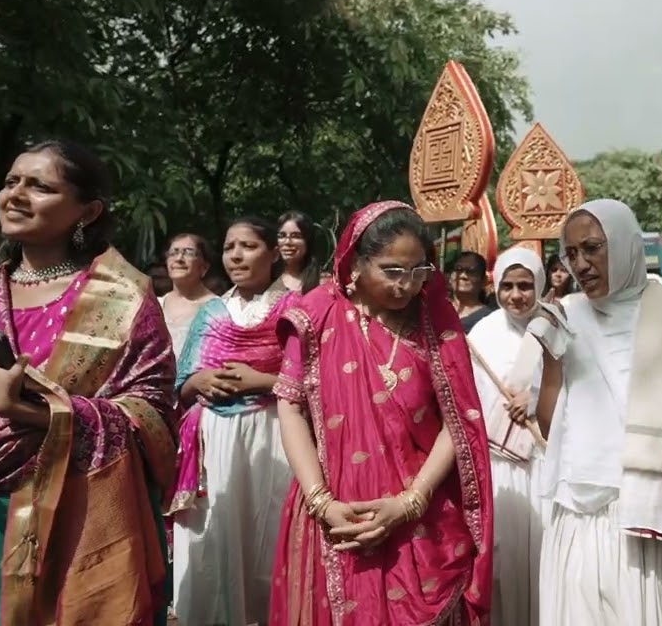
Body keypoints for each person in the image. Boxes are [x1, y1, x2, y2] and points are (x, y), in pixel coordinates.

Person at [0, 140, 176, 625]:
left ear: (87, 211)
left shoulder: (121, 298)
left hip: (71, 511)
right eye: (12, 181)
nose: (16, 194)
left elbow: (152, 415)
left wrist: (27, 412)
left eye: (40, 186)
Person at [269, 201, 492, 625]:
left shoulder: (435, 322)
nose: (406, 285)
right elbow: (291, 407)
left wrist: (411, 502)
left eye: (418, 271)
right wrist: (322, 502)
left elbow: (457, 421)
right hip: (332, 512)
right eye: (392, 271)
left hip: (422, 516)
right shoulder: (315, 316)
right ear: (355, 263)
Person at [533, 198, 662, 625]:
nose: (581, 264)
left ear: (625, 243)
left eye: (592, 248)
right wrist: (552, 357)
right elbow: (550, 427)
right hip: (589, 512)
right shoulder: (566, 317)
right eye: (571, 254)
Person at [170, 216, 297, 626]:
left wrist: (262, 381)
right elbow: (181, 384)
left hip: (275, 435)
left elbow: (318, 381)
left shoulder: (297, 310)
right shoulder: (211, 312)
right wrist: (199, 381)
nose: (236, 256)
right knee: (214, 540)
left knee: (268, 538)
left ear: (274, 253)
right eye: (229, 248)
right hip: (214, 439)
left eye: (248, 246)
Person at [466, 247, 546, 625]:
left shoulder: (554, 328)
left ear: (539, 285)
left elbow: (575, 388)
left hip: (545, 465)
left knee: (543, 557)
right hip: (499, 468)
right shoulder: (482, 333)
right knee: (503, 560)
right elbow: (468, 398)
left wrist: (536, 397)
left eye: (525, 286)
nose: (516, 295)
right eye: (508, 286)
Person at [159, 233, 219, 356]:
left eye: (188, 253)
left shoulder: (217, 308)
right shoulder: (156, 304)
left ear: (204, 267)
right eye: (173, 253)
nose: (179, 258)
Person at [449, 251, 495, 332]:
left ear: (484, 281)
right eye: (458, 270)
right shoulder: (436, 310)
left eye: (471, 271)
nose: (463, 276)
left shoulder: (489, 319)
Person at [277, 211, 321, 295]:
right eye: (282, 236)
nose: (287, 242)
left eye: (296, 236)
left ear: (308, 241)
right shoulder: (264, 279)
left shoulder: (323, 283)